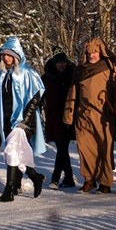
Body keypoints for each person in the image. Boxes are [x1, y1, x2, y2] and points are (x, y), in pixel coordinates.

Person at [0, 36, 46, 202]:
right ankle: (35, 177)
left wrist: (24, 121)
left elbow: (36, 98)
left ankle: (9, 192)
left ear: (17, 56)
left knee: (12, 153)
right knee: (14, 155)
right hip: (6, 121)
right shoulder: (1, 75)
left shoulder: (27, 73)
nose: (6, 58)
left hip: (22, 122)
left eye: (10, 55)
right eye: (4, 55)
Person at [64, 37, 116, 194]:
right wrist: (68, 115)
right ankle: (89, 179)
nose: (92, 55)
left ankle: (105, 182)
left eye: (95, 51)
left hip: (103, 117)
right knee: (85, 149)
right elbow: (73, 93)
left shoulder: (111, 69)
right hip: (83, 116)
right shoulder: (80, 71)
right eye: (89, 52)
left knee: (104, 150)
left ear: (101, 52)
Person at [42, 51, 77, 189]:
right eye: (59, 63)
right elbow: (39, 96)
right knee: (62, 148)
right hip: (53, 118)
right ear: (54, 64)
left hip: (69, 117)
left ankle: (56, 178)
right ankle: (67, 178)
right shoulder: (46, 78)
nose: (61, 65)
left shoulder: (72, 76)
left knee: (63, 148)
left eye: (63, 62)